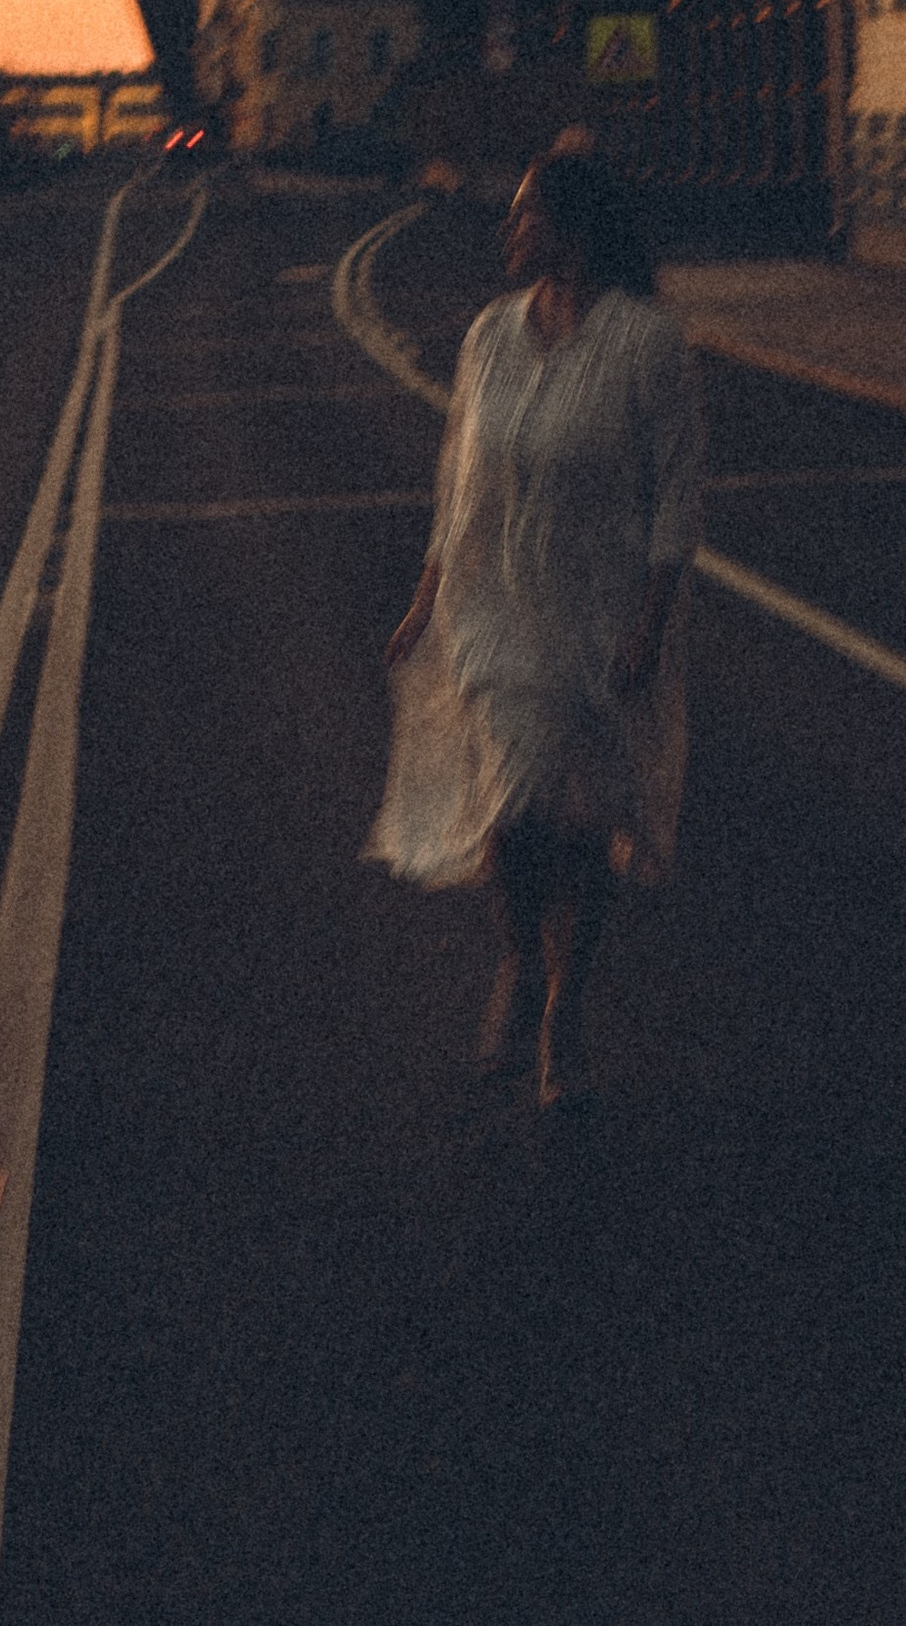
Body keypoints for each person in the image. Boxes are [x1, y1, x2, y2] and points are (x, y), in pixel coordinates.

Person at [367, 153, 704, 1108]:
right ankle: (522, 961)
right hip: (496, 610)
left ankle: (567, 1008)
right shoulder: (488, 338)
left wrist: (649, 623)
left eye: (525, 217)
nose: (510, 232)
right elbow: (457, 478)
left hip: (596, 613)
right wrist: (427, 596)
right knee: (512, 818)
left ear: (576, 230)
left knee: (583, 823)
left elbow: (674, 498)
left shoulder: (647, 345)